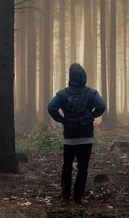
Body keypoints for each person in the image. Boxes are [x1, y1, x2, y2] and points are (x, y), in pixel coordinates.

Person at [47, 63, 106, 203]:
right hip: (86, 137)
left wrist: (62, 120)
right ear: (84, 76)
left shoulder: (63, 94)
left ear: (70, 77)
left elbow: (51, 107)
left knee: (67, 165)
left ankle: (65, 194)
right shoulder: (91, 93)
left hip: (69, 138)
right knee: (83, 167)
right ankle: (78, 196)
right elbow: (101, 106)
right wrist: (92, 116)